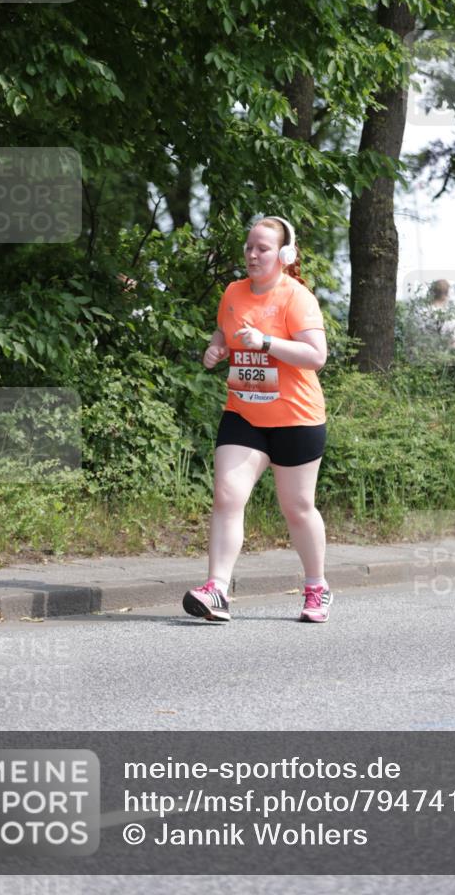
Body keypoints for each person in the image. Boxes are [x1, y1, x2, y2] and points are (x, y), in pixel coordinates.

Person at [182, 216, 332, 624]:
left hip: (296, 417)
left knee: (297, 507)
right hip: (244, 413)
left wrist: (267, 342)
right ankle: (217, 590)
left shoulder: (296, 297)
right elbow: (224, 332)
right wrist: (216, 349)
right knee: (227, 496)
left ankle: (317, 586)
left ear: (284, 254)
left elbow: (316, 356)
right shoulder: (233, 292)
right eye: (249, 247)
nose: (252, 254)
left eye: (262, 248)